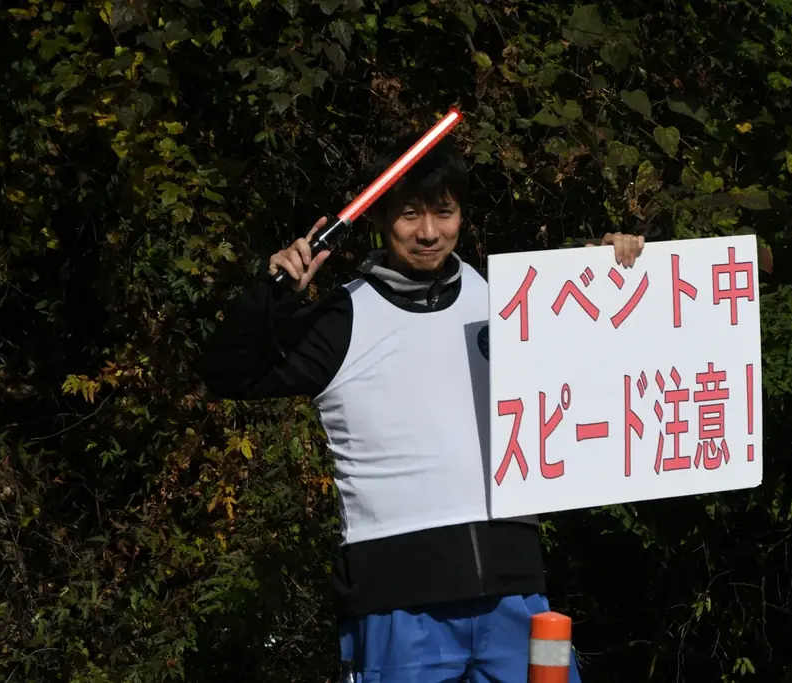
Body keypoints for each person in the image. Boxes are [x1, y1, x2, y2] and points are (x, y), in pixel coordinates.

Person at [202, 132, 644, 682]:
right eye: (410, 214)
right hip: (397, 605)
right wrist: (273, 292)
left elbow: (607, 361)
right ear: (381, 219)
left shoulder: (512, 302)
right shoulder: (341, 320)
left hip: (518, 595)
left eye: (444, 211)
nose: (430, 232)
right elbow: (227, 374)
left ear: (462, 215)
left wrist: (613, 271)